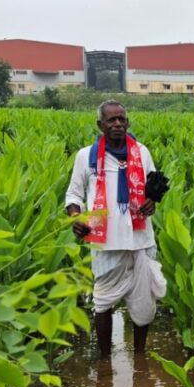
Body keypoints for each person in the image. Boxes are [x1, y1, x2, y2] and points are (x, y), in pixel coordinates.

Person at [65, 100, 165, 358]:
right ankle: (105, 359)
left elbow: (153, 187)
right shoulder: (85, 156)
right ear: (100, 125)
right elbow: (73, 195)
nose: (118, 124)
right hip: (105, 241)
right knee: (103, 302)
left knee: (144, 302)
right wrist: (76, 217)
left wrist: (152, 202)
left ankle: (140, 356)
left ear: (128, 122)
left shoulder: (141, 152)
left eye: (122, 119)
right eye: (111, 120)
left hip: (140, 239)